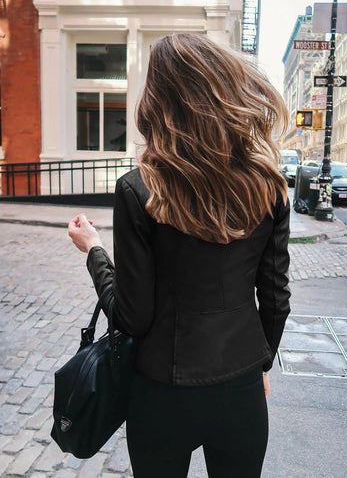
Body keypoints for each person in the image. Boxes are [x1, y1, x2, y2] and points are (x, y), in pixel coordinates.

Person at [68, 33, 291, 478]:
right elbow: (276, 299)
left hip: (162, 394)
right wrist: (260, 363)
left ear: (160, 101)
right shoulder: (268, 185)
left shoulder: (139, 188)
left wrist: (93, 250)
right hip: (241, 385)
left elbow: (132, 317)